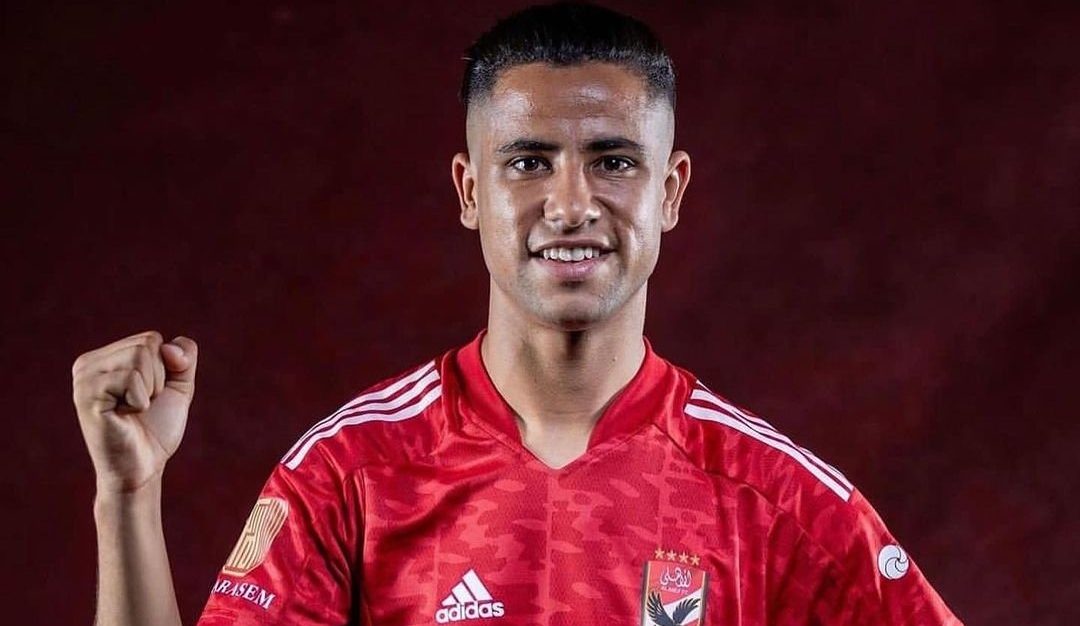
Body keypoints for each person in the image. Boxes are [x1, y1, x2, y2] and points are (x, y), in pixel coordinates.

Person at [72, 3, 965, 625]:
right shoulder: (354, 473)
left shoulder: (775, 501)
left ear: (670, 190)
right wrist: (128, 496)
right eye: (529, 163)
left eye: (614, 161)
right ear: (470, 191)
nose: (571, 205)